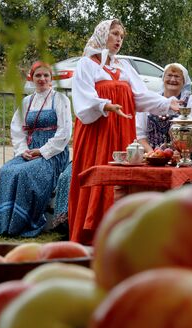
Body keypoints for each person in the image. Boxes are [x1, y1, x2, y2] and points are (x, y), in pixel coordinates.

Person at [69, 19, 180, 244]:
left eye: (121, 36)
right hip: (97, 131)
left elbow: (140, 96)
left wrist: (167, 103)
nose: (119, 39)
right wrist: (104, 105)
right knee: (100, 176)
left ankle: (122, 235)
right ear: (102, 35)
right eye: (114, 34)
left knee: (124, 178)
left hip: (122, 130)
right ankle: (92, 235)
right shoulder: (87, 64)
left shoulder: (124, 67)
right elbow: (82, 99)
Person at [0, 61, 71, 237]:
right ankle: (2, 222)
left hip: (52, 154)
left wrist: (43, 151)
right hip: (29, 151)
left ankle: (22, 222)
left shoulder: (60, 99)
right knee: (7, 170)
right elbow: (17, 129)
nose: (42, 79)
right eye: (38, 75)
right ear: (31, 78)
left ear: (51, 78)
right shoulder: (27, 102)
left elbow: (64, 132)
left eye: (46, 75)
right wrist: (23, 150)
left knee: (25, 173)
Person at [136, 63, 192, 164]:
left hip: (183, 161)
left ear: (184, 81)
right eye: (169, 75)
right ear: (163, 78)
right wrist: (152, 154)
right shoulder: (151, 101)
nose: (172, 80)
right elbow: (139, 134)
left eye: (177, 76)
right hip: (153, 161)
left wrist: (182, 152)